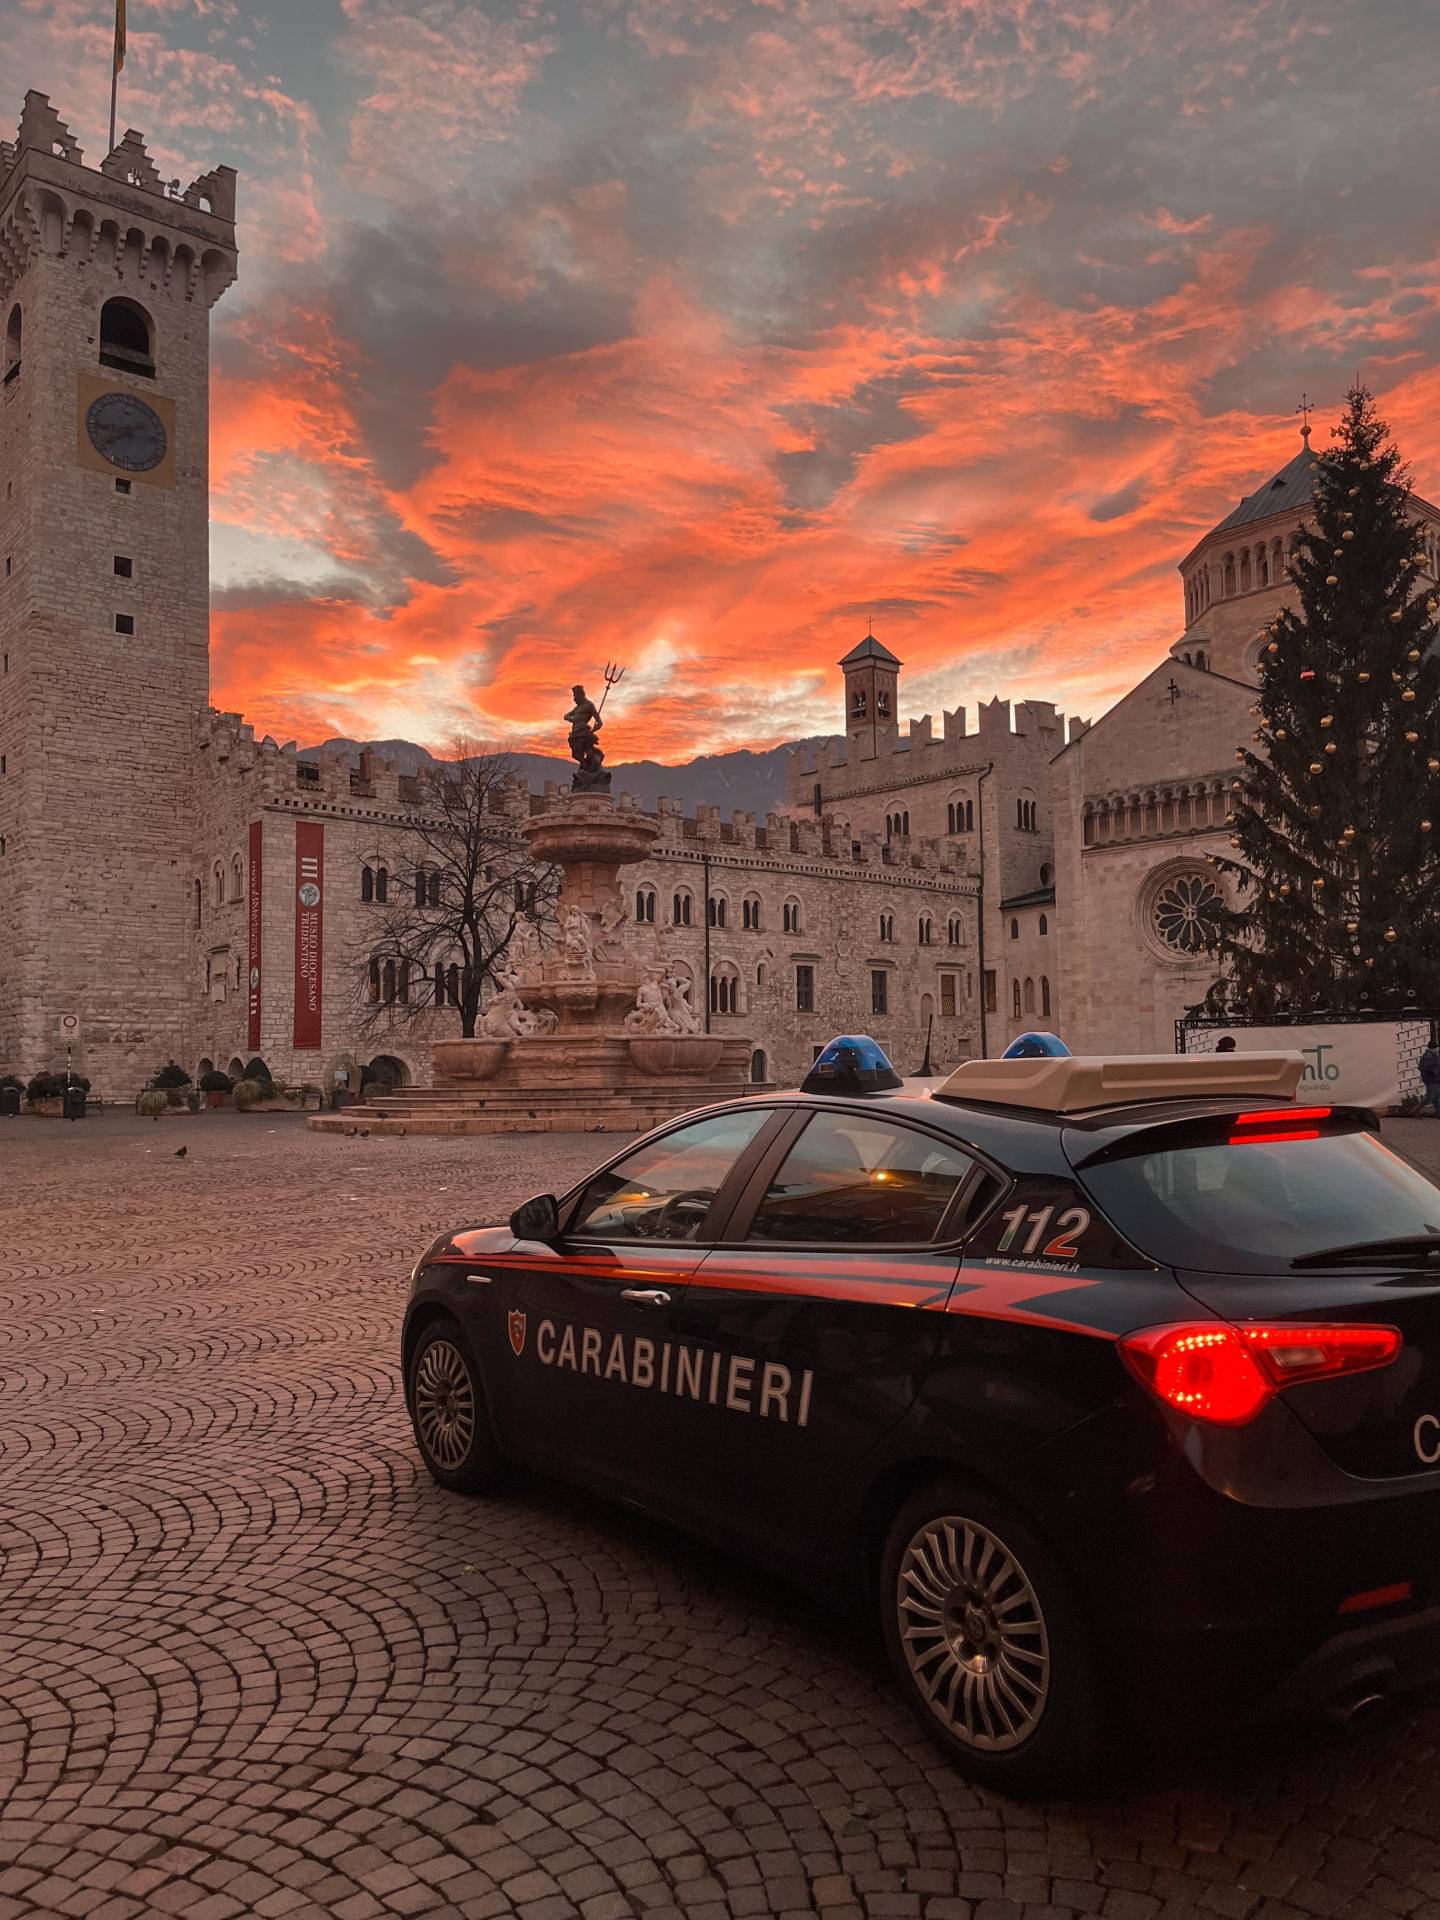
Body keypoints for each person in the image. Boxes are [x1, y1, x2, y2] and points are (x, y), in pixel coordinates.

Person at [1419, 1041, 1440, 1117]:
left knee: (1437, 1097)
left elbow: (1421, 1067)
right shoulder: (1430, 1056)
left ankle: (1438, 1113)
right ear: (1434, 1048)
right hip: (1431, 1079)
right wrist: (1436, 1072)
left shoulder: (1430, 1055)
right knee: (1430, 1096)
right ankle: (1415, 1110)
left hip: (1433, 1079)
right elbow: (1427, 1068)